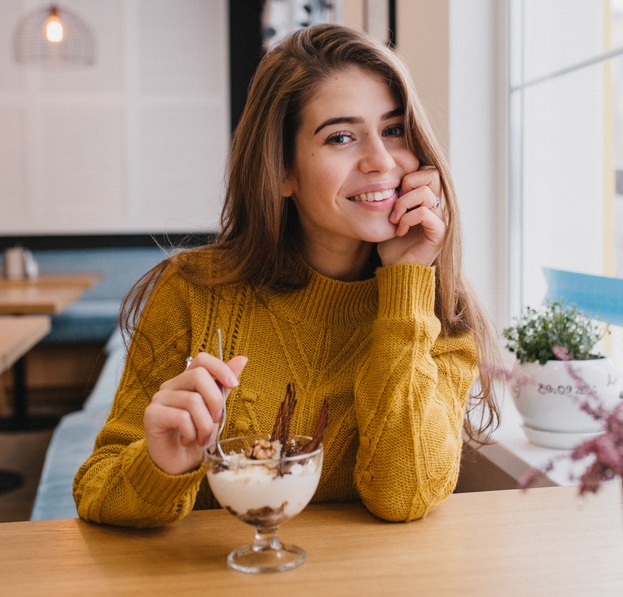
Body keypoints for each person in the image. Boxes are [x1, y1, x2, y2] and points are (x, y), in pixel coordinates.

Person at [73, 23, 502, 528]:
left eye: (393, 129)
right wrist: (161, 464)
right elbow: (95, 490)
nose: (381, 161)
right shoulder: (193, 292)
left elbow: (402, 496)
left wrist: (406, 283)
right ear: (281, 171)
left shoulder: (438, 312)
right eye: (341, 137)